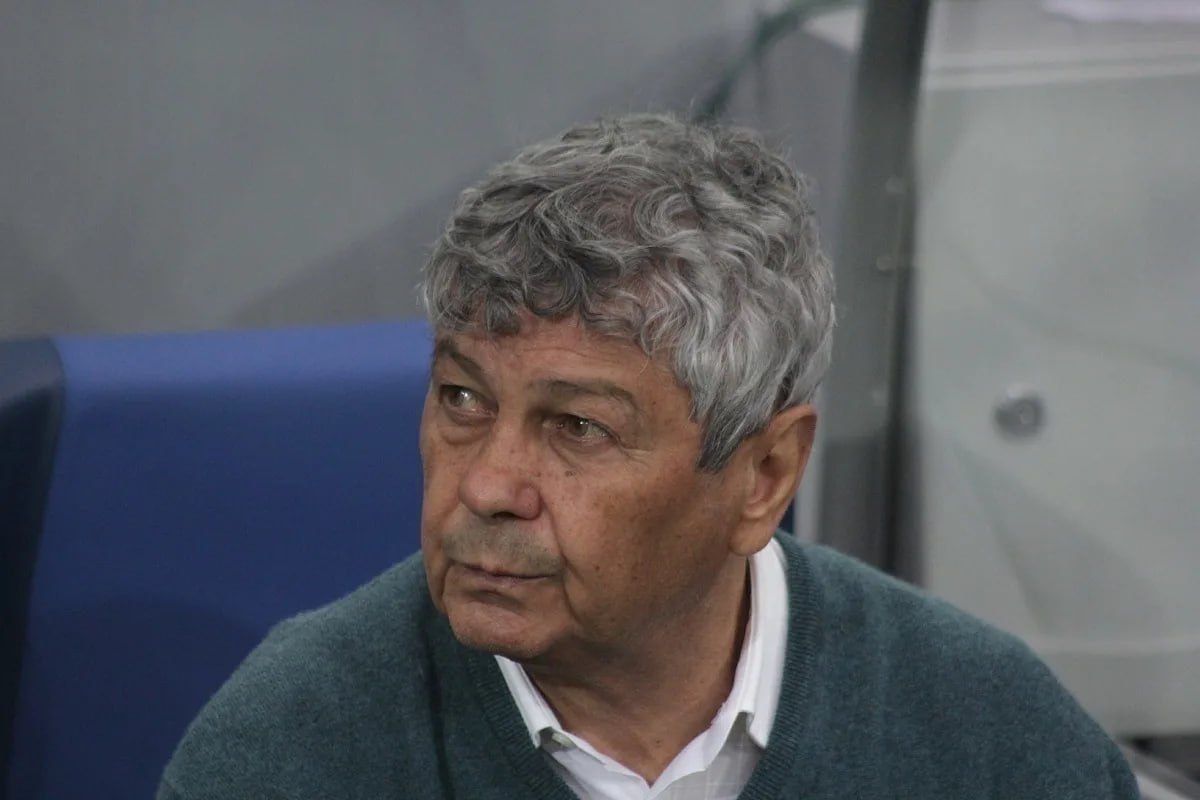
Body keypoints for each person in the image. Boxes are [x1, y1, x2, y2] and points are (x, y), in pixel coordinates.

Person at [157, 113, 1138, 799]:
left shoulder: (992, 739)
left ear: (763, 477)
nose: (487, 485)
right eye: (462, 399)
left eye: (577, 428)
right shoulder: (292, 751)